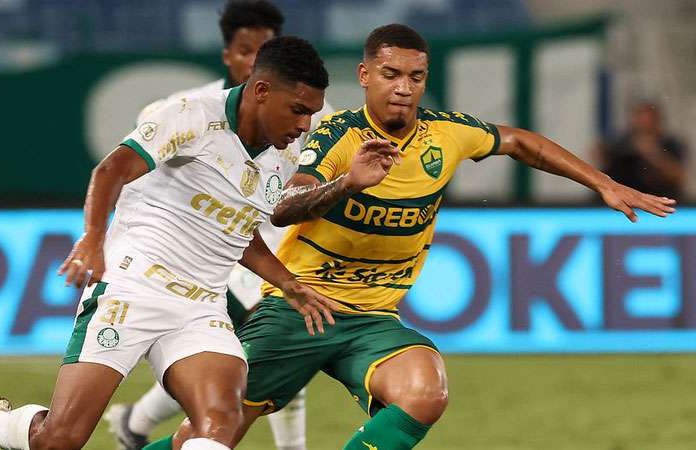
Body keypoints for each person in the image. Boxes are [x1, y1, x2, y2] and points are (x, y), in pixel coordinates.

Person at [149, 23, 677, 450]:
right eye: (391, 73)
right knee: (202, 438)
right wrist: (347, 183)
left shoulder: (446, 133)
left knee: (426, 389)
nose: (403, 87)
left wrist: (604, 183)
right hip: (299, 309)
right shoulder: (335, 135)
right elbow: (283, 208)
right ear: (365, 75)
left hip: (374, 319)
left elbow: (519, 142)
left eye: (416, 76)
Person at [0, 36, 348, 450]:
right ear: (261, 91)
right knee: (60, 438)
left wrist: (287, 282)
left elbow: (238, 230)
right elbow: (111, 169)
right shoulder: (191, 115)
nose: (304, 126)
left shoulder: (285, 155)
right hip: (132, 286)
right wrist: (93, 239)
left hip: (201, 306)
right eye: (298, 111)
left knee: (219, 424)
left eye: (311, 114)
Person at [104, 2, 334, 450]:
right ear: (229, 56)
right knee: (263, 359)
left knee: (246, 366)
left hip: (275, 253)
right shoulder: (184, 112)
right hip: (213, 263)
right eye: (246, 51)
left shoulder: (310, 117)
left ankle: (136, 420)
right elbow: (134, 178)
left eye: (264, 51)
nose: (253, 62)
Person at [595, 101, 687, 200]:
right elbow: (604, 175)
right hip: (625, 201)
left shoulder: (670, 144)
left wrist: (653, 155)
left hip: (661, 200)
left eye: (649, 122)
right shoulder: (619, 144)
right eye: (641, 121)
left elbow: (679, 178)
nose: (644, 125)